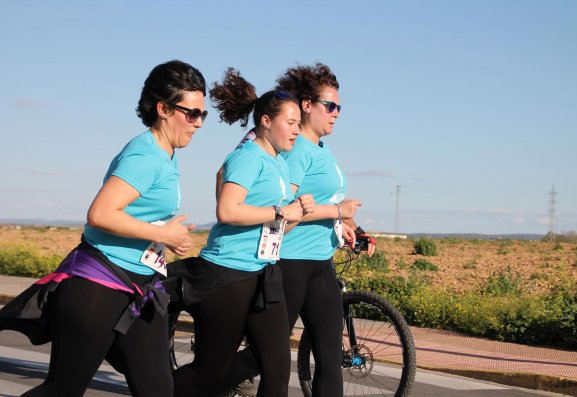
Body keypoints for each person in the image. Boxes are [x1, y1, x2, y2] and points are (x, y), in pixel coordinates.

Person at [0, 59, 206, 397]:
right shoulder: (145, 156)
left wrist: (163, 235)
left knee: (157, 390)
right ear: (164, 109)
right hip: (99, 287)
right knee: (62, 390)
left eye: (202, 114)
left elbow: (133, 214)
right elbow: (100, 213)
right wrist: (161, 234)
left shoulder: (165, 153)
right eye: (192, 113)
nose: (198, 123)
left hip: (140, 290)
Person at [215, 63, 377, 397]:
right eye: (329, 106)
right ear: (307, 105)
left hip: (319, 263)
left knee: (331, 358)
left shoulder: (320, 149)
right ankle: (199, 386)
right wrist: (337, 212)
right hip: (289, 262)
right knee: (264, 360)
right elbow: (287, 209)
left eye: (339, 107)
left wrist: (351, 226)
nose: (336, 113)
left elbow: (323, 200)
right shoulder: (296, 150)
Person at [168, 67, 314, 397]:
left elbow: (274, 223)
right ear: (265, 121)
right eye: (290, 123)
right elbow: (227, 210)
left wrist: (298, 215)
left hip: (263, 275)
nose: (296, 130)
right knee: (209, 375)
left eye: (297, 124)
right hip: (228, 277)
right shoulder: (247, 158)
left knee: (277, 370)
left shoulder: (279, 163)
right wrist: (280, 211)